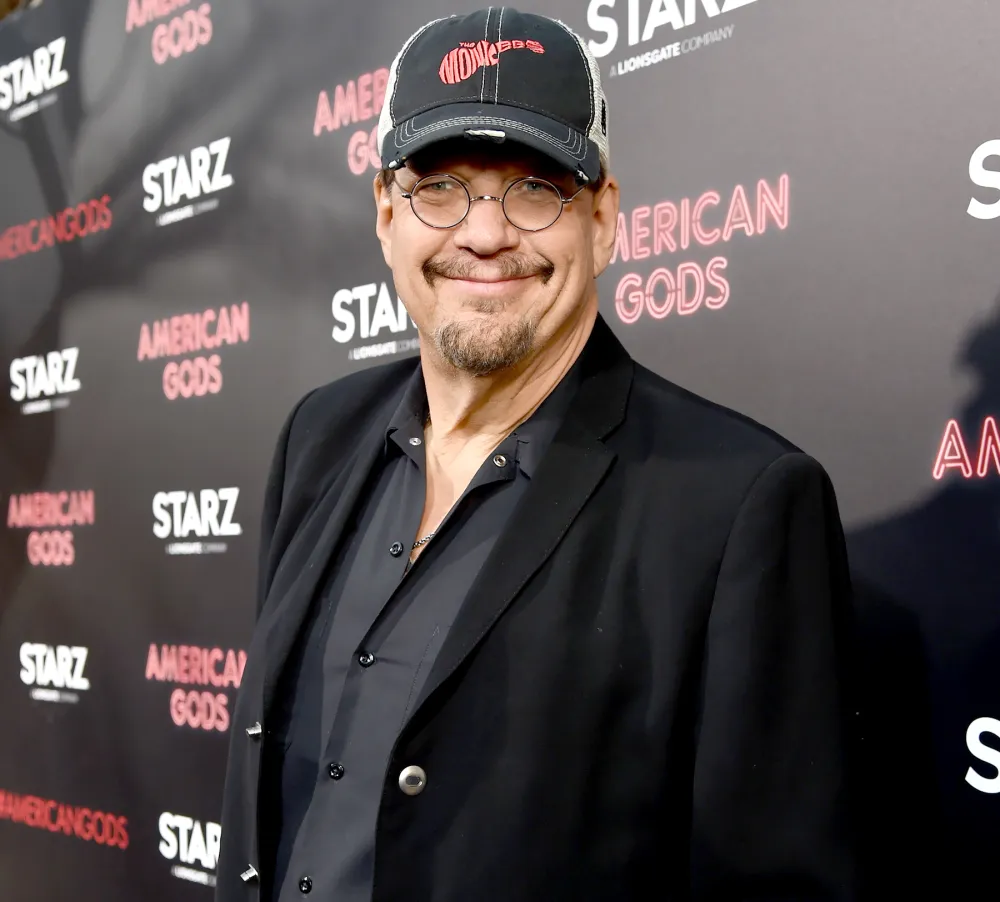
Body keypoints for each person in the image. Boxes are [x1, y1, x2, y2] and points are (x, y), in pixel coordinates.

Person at [216, 8, 858, 901]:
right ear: (386, 214)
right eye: (440, 186)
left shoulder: (739, 504)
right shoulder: (318, 437)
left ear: (603, 218)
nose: (483, 235)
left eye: (534, 187)